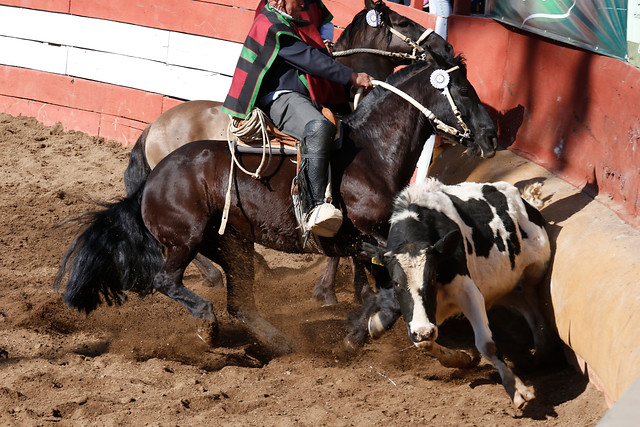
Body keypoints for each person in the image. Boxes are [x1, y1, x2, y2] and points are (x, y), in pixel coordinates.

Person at [222, 0, 374, 238]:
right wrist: (352, 76)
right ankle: (312, 206)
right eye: (298, 0)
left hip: (298, 96)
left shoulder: (284, 22)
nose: (303, 5)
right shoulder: (272, 25)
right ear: (279, 1)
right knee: (318, 128)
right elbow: (309, 60)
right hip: (281, 98)